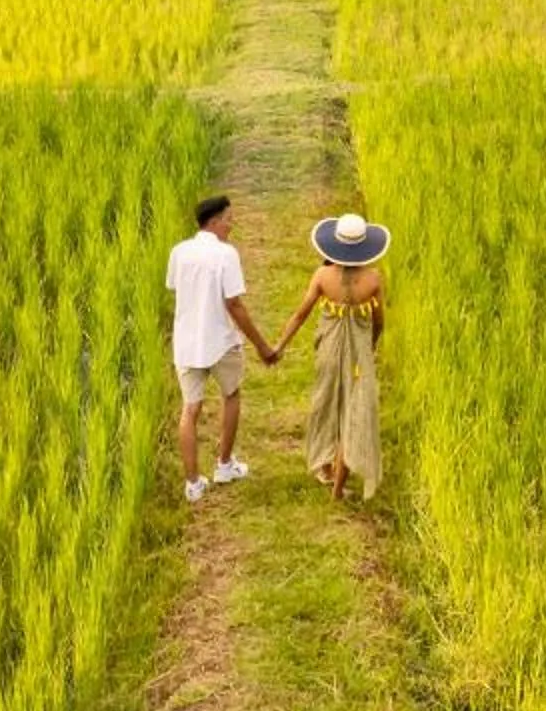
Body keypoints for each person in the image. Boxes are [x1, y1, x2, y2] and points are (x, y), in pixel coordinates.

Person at [268, 211, 390, 503]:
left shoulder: (323, 276)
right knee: (354, 415)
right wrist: (370, 347)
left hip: (328, 351)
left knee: (325, 403)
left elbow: (300, 314)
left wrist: (279, 347)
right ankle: (337, 488)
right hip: (358, 357)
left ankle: (323, 463)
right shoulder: (372, 279)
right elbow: (379, 322)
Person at [167, 193, 276, 503]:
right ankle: (224, 465)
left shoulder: (179, 252)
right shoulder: (226, 254)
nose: (232, 224)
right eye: (229, 219)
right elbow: (235, 304)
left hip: (186, 343)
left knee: (190, 410)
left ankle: (192, 484)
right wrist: (262, 345)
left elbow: (177, 288)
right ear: (213, 222)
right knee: (231, 395)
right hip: (220, 341)